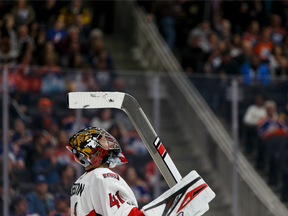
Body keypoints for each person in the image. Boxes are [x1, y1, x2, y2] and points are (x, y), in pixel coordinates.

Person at [66, 127, 145, 215]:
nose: (109, 145)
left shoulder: (79, 182)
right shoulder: (103, 176)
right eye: (103, 142)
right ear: (95, 152)